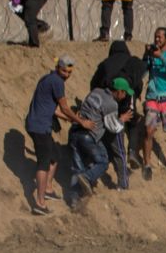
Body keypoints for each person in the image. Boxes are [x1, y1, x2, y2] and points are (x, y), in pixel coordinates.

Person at [25, 55, 91, 214]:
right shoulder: (57, 82)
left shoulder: (48, 79)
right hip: (39, 127)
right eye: (64, 71)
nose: (66, 75)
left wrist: (71, 119)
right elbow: (65, 108)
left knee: (55, 156)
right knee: (43, 163)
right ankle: (39, 204)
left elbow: (52, 108)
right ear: (58, 68)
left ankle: (47, 188)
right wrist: (81, 122)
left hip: (39, 125)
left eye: (69, 72)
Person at [67, 77, 132, 208]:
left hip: (74, 131)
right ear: (119, 91)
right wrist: (122, 119)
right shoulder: (111, 104)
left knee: (77, 168)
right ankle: (87, 177)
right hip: (88, 136)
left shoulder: (96, 91)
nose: (124, 96)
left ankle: (74, 201)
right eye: (124, 93)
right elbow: (113, 127)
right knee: (102, 161)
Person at [89, 40, 144, 189]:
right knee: (131, 123)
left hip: (108, 100)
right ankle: (132, 151)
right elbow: (138, 82)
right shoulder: (130, 61)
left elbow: (94, 83)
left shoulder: (105, 63)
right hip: (125, 98)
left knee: (110, 127)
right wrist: (136, 93)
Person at [140, 27, 166, 181]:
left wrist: (162, 58)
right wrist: (147, 55)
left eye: (159, 37)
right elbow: (142, 73)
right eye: (155, 37)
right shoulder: (151, 55)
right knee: (149, 131)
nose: (157, 40)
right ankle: (147, 165)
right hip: (153, 98)